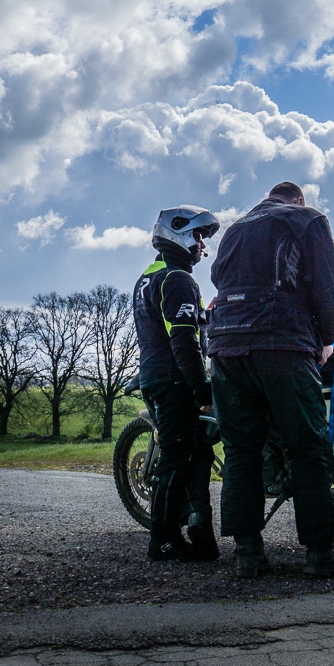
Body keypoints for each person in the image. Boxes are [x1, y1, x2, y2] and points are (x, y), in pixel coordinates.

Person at [206, 182, 334, 578]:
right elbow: (329, 288)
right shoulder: (308, 220)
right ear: (298, 200)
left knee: (241, 451)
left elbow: (218, 278)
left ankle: (247, 553)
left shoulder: (235, 229)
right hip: (282, 342)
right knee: (307, 446)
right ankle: (320, 552)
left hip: (225, 347)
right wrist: (325, 340)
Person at [132, 204, 221, 561]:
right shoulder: (178, 279)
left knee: (198, 451)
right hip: (174, 379)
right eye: (198, 235)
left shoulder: (148, 277)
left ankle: (199, 526)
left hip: (154, 374)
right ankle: (163, 539)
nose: (202, 245)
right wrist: (201, 388)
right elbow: (183, 340)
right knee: (177, 455)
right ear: (179, 232)